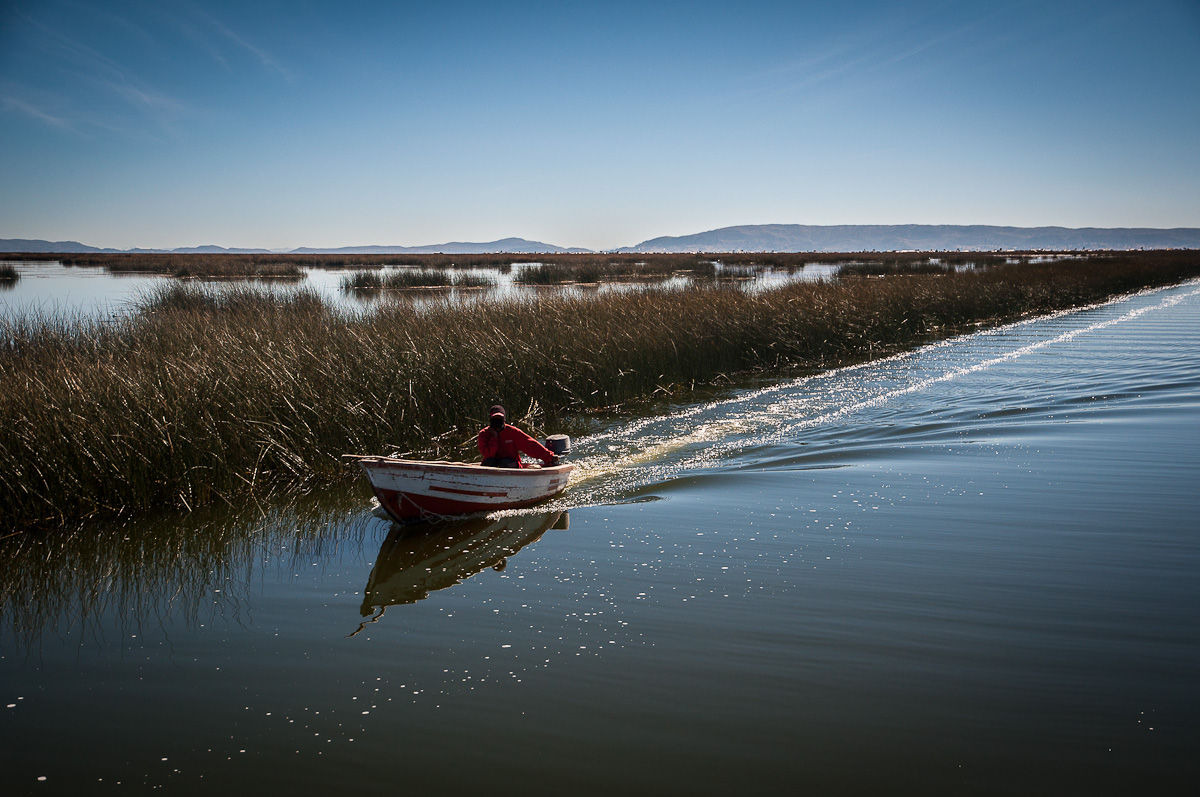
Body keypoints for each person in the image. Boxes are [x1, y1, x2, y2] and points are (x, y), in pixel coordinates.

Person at [478, 405, 559, 468]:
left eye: (499, 418)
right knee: (488, 462)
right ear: (490, 419)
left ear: (504, 419)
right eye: (495, 418)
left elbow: (530, 445)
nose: (497, 421)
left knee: (504, 463)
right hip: (493, 464)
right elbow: (488, 454)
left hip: (511, 464)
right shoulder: (484, 434)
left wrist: (549, 457)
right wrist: (494, 438)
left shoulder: (512, 432)